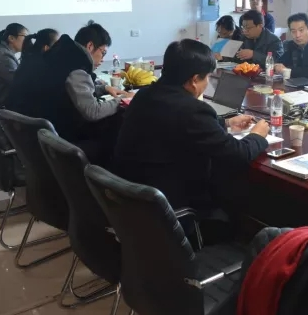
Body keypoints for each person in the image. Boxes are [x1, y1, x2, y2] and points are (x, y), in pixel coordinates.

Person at [113, 39, 270, 217]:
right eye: (207, 77)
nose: (207, 82)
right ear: (194, 80)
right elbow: (237, 154)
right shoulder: (192, 110)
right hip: (170, 205)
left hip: (133, 198)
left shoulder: (144, 95)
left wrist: (225, 123)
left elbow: (176, 124)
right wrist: (257, 135)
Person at [32, 21, 132, 164]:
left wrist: (103, 88)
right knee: (117, 125)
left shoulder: (60, 57)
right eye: (103, 53)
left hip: (48, 133)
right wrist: (122, 100)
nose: (103, 59)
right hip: (65, 140)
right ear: (90, 46)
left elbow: (68, 87)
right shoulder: (77, 66)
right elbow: (93, 112)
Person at [5, 29, 59, 118]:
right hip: (33, 121)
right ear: (46, 48)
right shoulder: (44, 68)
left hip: (17, 119)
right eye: (58, 45)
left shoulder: (27, 62)